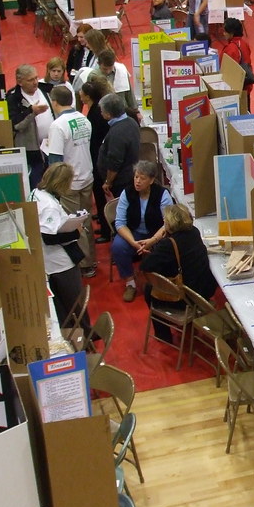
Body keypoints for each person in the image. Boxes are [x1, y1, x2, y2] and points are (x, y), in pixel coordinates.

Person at [139, 204, 218, 340]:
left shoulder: (168, 244)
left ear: (170, 223)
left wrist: (160, 240)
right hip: (206, 289)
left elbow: (146, 266)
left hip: (187, 297)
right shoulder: (194, 232)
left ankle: (163, 334)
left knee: (149, 289)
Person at [30, 163, 90, 331]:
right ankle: (86, 334)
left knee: (60, 306)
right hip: (60, 263)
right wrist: (76, 231)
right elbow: (49, 237)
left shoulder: (36, 193)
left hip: (46, 261)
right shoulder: (49, 206)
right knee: (76, 302)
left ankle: (68, 333)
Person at [46, 85, 97, 277]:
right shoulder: (83, 119)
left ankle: (85, 263)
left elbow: (55, 160)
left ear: (54, 102)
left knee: (75, 224)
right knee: (87, 220)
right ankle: (91, 258)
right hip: (86, 175)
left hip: (69, 183)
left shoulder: (57, 126)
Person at [111, 160, 172, 302]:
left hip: (156, 234)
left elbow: (168, 223)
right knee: (118, 246)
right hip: (134, 233)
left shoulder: (162, 194)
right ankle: (130, 282)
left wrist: (152, 241)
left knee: (167, 247)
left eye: (142, 178)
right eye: (136, 177)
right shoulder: (127, 193)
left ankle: (156, 280)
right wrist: (133, 243)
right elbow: (120, 223)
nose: (137, 181)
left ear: (151, 180)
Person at [7, 64, 53, 189]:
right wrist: (32, 111)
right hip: (31, 152)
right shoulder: (13, 98)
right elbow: (15, 124)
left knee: (53, 182)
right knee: (36, 184)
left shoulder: (45, 90)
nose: (35, 82)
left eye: (36, 78)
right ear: (19, 82)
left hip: (51, 146)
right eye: (30, 80)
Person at [81, 76, 113, 243]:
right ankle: (101, 218)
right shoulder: (95, 111)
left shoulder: (95, 115)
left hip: (97, 159)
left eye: (82, 93)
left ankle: (106, 230)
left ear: (87, 96)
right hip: (96, 156)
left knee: (100, 194)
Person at [97, 92, 140, 200]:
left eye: (102, 110)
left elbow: (115, 161)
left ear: (108, 114)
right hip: (129, 175)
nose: (101, 113)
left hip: (121, 182)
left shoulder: (117, 132)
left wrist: (108, 181)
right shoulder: (131, 121)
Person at [221, 17, 254, 109]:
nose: (223, 34)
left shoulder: (231, 49)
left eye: (225, 31)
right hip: (246, 87)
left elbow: (226, 70)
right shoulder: (244, 43)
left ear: (231, 33)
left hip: (237, 89)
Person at [97, 48, 138, 112]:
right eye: (104, 69)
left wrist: (136, 110)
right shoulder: (94, 75)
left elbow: (129, 93)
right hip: (104, 112)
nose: (108, 71)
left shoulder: (121, 70)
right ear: (98, 64)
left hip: (122, 110)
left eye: (110, 68)